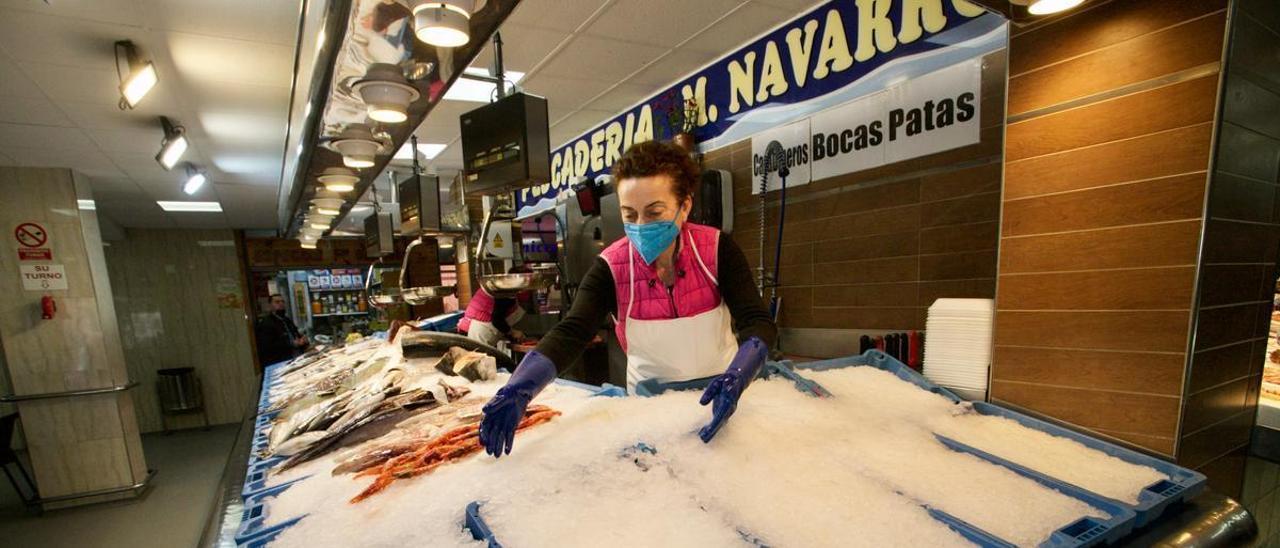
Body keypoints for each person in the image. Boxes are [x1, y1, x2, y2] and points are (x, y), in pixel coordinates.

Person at [479, 140, 777, 457]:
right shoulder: (610, 267)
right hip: (650, 412)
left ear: (685, 205)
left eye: (654, 212)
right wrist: (521, 387)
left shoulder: (718, 249)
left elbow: (757, 323)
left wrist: (738, 376)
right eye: (629, 214)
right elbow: (571, 332)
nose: (640, 226)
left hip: (724, 398)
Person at [255, 294, 308, 365]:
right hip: (279, 362)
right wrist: (291, 343)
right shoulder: (266, 324)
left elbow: (296, 335)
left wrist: (303, 341)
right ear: (270, 305)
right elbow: (267, 347)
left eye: (282, 301)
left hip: (295, 358)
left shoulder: (287, 320)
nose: (281, 304)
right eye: (277, 302)